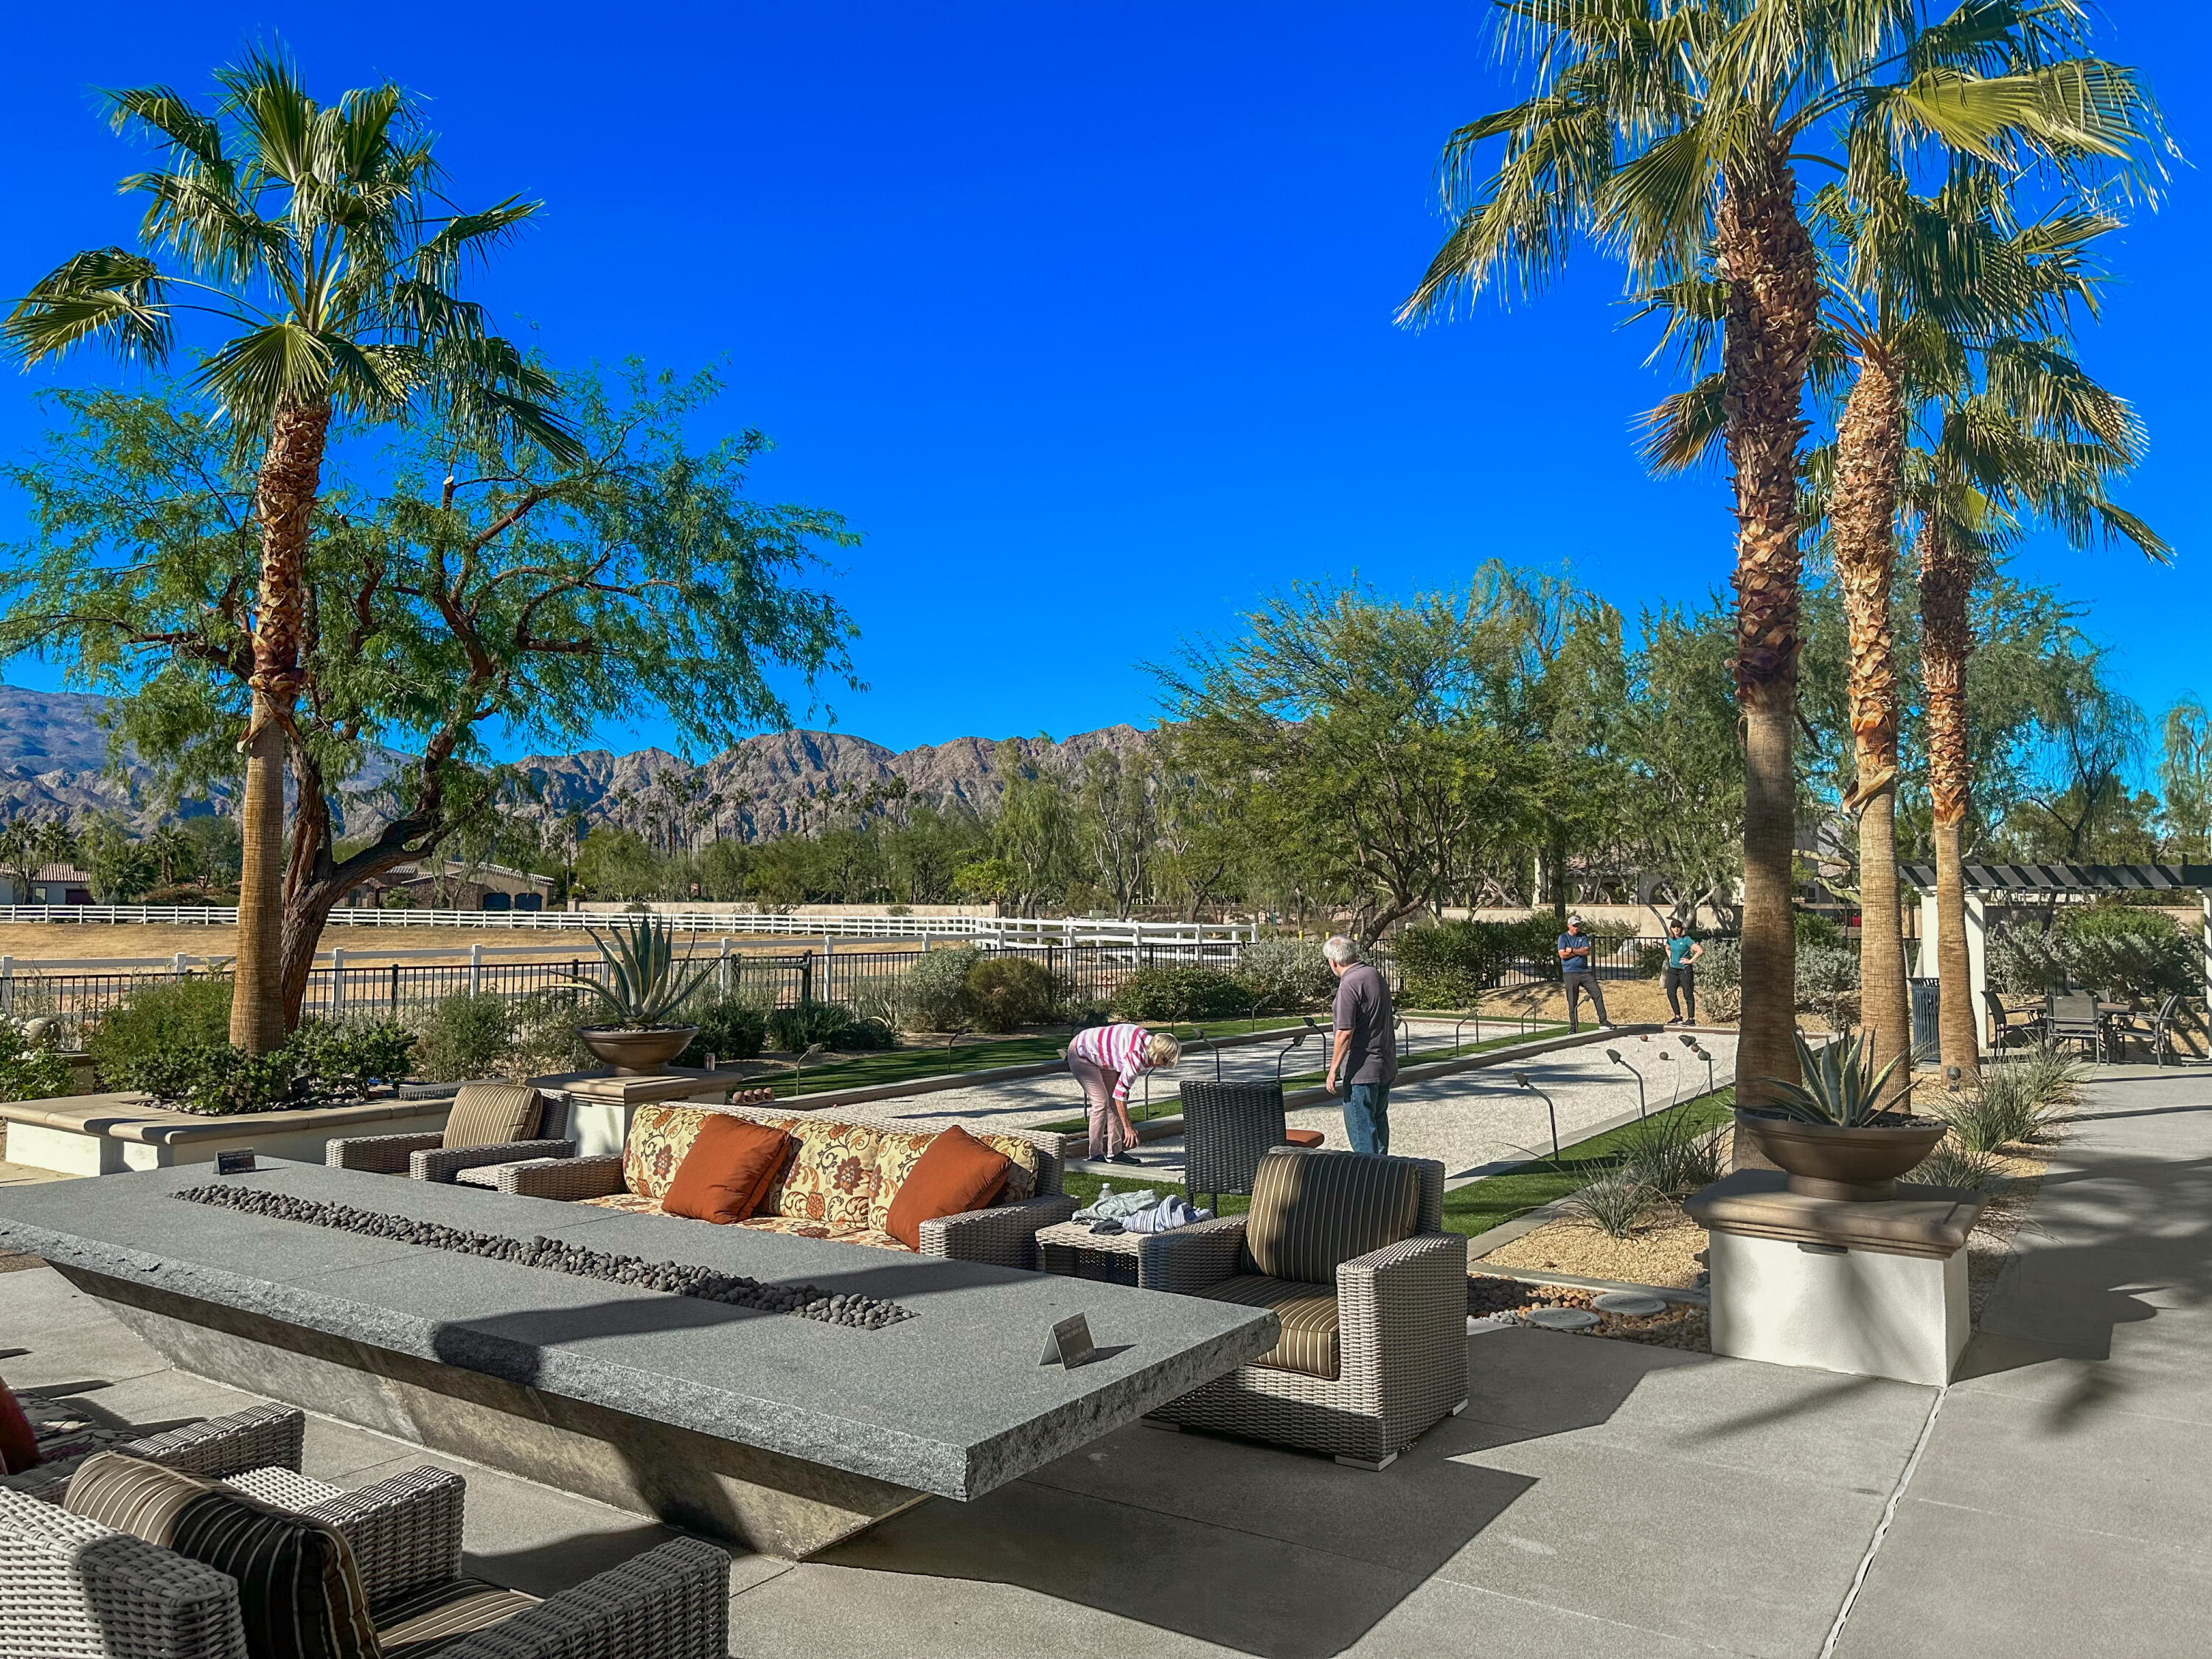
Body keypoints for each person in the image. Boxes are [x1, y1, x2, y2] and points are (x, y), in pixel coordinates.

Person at [1324, 935, 1398, 1155]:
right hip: (1385, 1064)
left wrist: (1333, 1070)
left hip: (1361, 1071)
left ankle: (1371, 1181)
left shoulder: (1348, 986)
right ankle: (1385, 1174)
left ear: (1333, 962)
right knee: (1378, 1121)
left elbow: (1345, 1032)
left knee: (1362, 1132)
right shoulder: (1374, 974)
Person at [1066, 1023, 1180, 1164]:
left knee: (1116, 1101)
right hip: (1081, 1052)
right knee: (1101, 1102)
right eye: (1165, 1060)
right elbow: (1120, 1094)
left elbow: (1121, 1093)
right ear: (1158, 1051)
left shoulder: (1149, 1044)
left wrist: (1123, 1095)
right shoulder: (1137, 1056)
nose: (1165, 1065)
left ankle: (1115, 1152)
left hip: (1104, 1057)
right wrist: (1128, 1128)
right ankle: (1095, 1155)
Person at [1556, 915, 1612, 1032]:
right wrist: (1578, 951)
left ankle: (1603, 1021)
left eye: (1578, 925)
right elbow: (1562, 955)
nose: (1577, 928)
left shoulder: (1583, 936)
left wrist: (1571, 950)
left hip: (1584, 972)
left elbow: (1586, 951)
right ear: (1569, 926)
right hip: (1570, 973)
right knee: (1572, 1000)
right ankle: (1573, 1027)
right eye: (1575, 925)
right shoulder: (1563, 937)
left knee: (1597, 993)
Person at [1661, 920, 1705, 1025]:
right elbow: (1667, 948)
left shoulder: (1686, 940)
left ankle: (1691, 1018)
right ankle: (1677, 1016)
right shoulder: (1671, 940)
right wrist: (1670, 957)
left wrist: (1689, 961)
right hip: (1673, 970)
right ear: (1671, 928)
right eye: (1674, 927)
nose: (1676, 929)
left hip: (1685, 970)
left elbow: (1700, 950)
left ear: (1681, 928)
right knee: (1671, 993)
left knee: (1688, 993)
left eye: (1678, 927)